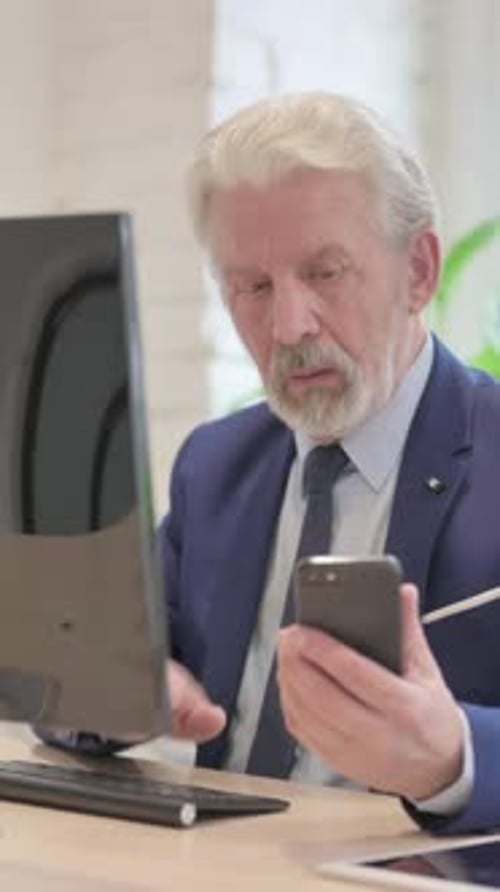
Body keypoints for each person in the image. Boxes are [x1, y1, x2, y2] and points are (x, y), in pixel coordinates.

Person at [160, 91, 500, 836]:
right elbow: (99, 672)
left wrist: (455, 757)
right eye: (252, 287)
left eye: (325, 273)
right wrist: (123, 697)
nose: (288, 327)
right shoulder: (213, 468)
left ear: (418, 271)